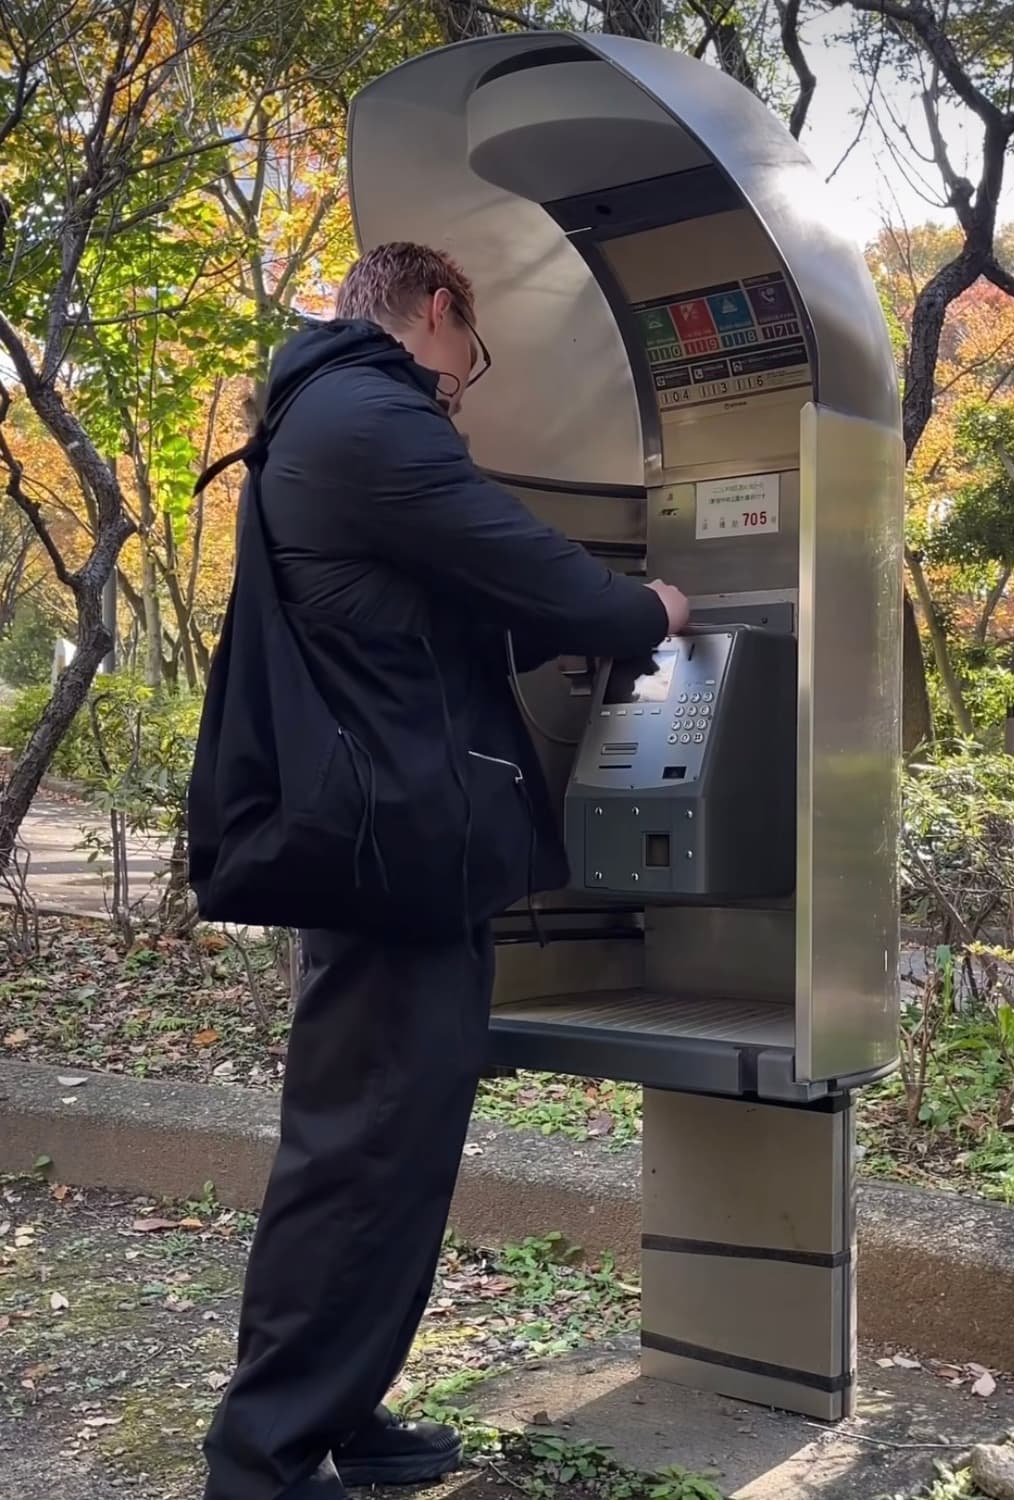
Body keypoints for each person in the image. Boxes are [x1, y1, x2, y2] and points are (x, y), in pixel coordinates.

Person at [198, 242, 689, 1500]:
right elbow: (524, 564)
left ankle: (338, 1412)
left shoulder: (329, 420)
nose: (463, 386)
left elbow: (458, 605)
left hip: (399, 846)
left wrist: (568, 621)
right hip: (387, 852)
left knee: (395, 1152)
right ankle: (262, 1458)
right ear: (437, 311)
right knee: (356, 1156)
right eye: (467, 359)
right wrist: (648, 615)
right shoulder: (369, 415)